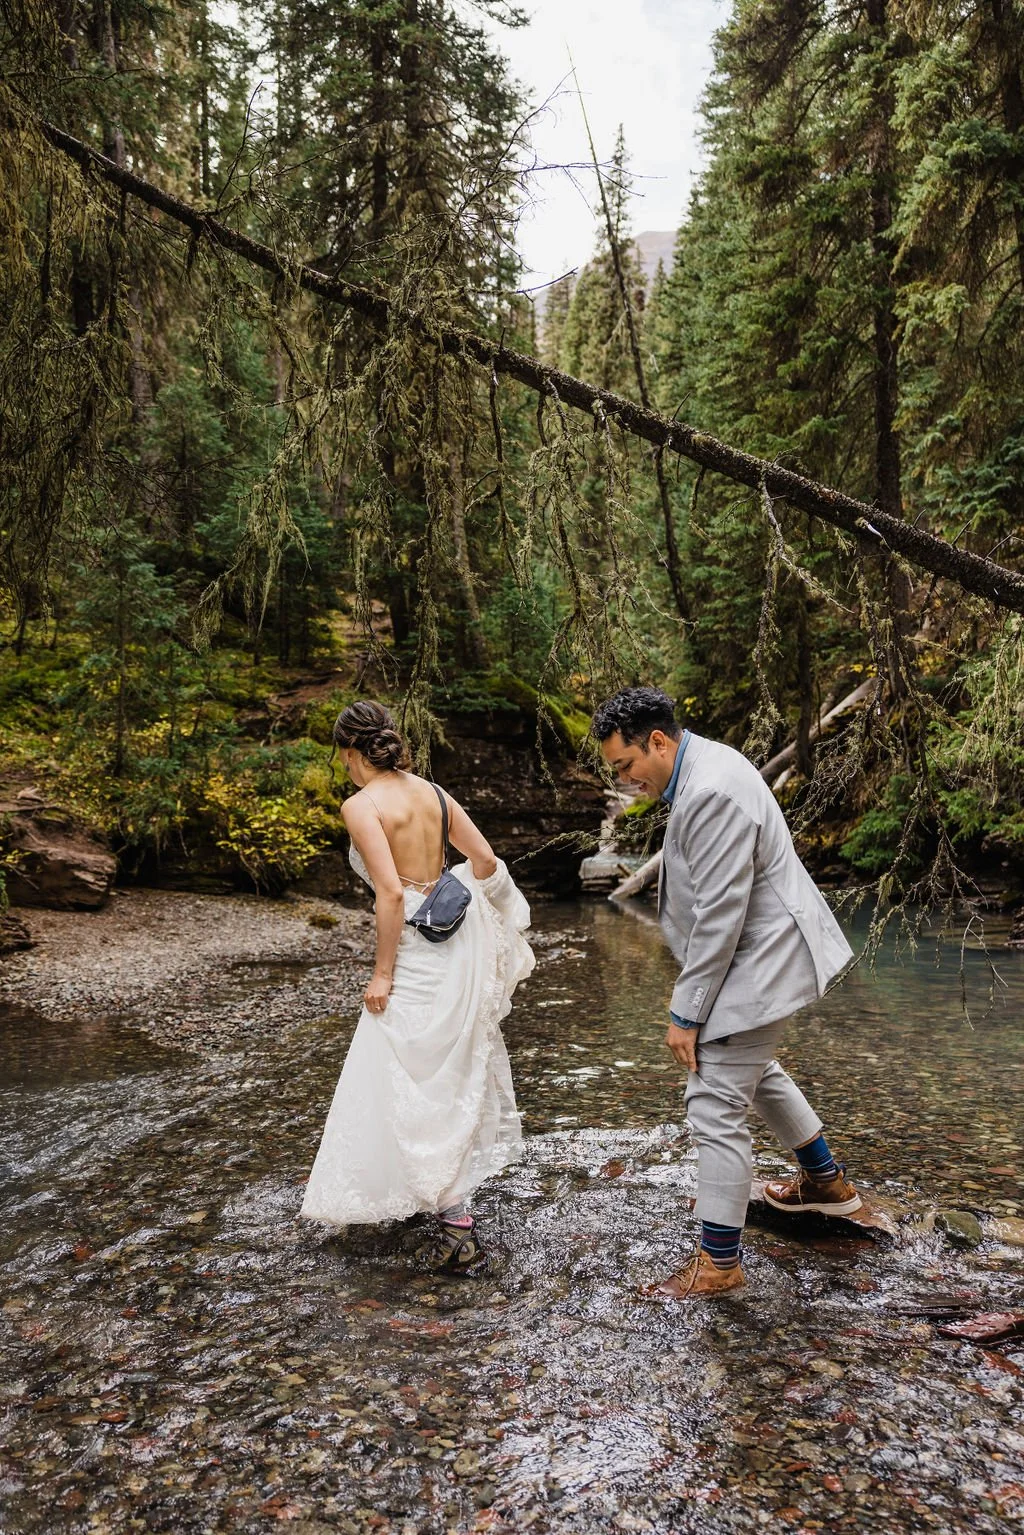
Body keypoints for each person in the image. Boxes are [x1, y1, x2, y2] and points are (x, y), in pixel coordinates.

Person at [592, 686, 861, 1299]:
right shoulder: (708, 763)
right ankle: (827, 1186)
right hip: (762, 953)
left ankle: (719, 1265)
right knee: (752, 1069)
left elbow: (720, 915)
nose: (626, 779)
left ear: (657, 741)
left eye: (625, 765)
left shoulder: (710, 789)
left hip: (760, 959)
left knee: (714, 1099)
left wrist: (685, 1014)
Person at [300, 700, 534, 1274]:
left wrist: (382, 973)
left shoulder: (360, 805)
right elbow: (483, 859)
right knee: (445, 1072)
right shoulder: (433, 792)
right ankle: (425, 1195)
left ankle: (454, 1222)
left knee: (397, 1069)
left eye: (344, 758)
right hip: (454, 948)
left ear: (351, 752)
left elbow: (391, 895)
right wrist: (467, 904)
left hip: (410, 950)